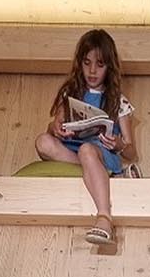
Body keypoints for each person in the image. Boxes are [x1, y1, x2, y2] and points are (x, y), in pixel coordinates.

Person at [33, 29, 139, 245]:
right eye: (87, 63)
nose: (92, 71)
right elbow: (54, 126)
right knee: (42, 141)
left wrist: (118, 144)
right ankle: (105, 176)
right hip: (73, 152)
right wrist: (56, 128)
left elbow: (131, 152)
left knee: (87, 150)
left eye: (100, 65)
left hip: (101, 154)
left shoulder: (119, 101)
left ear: (109, 68)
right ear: (79, 64)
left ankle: (104, 218)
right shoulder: (70, 94)